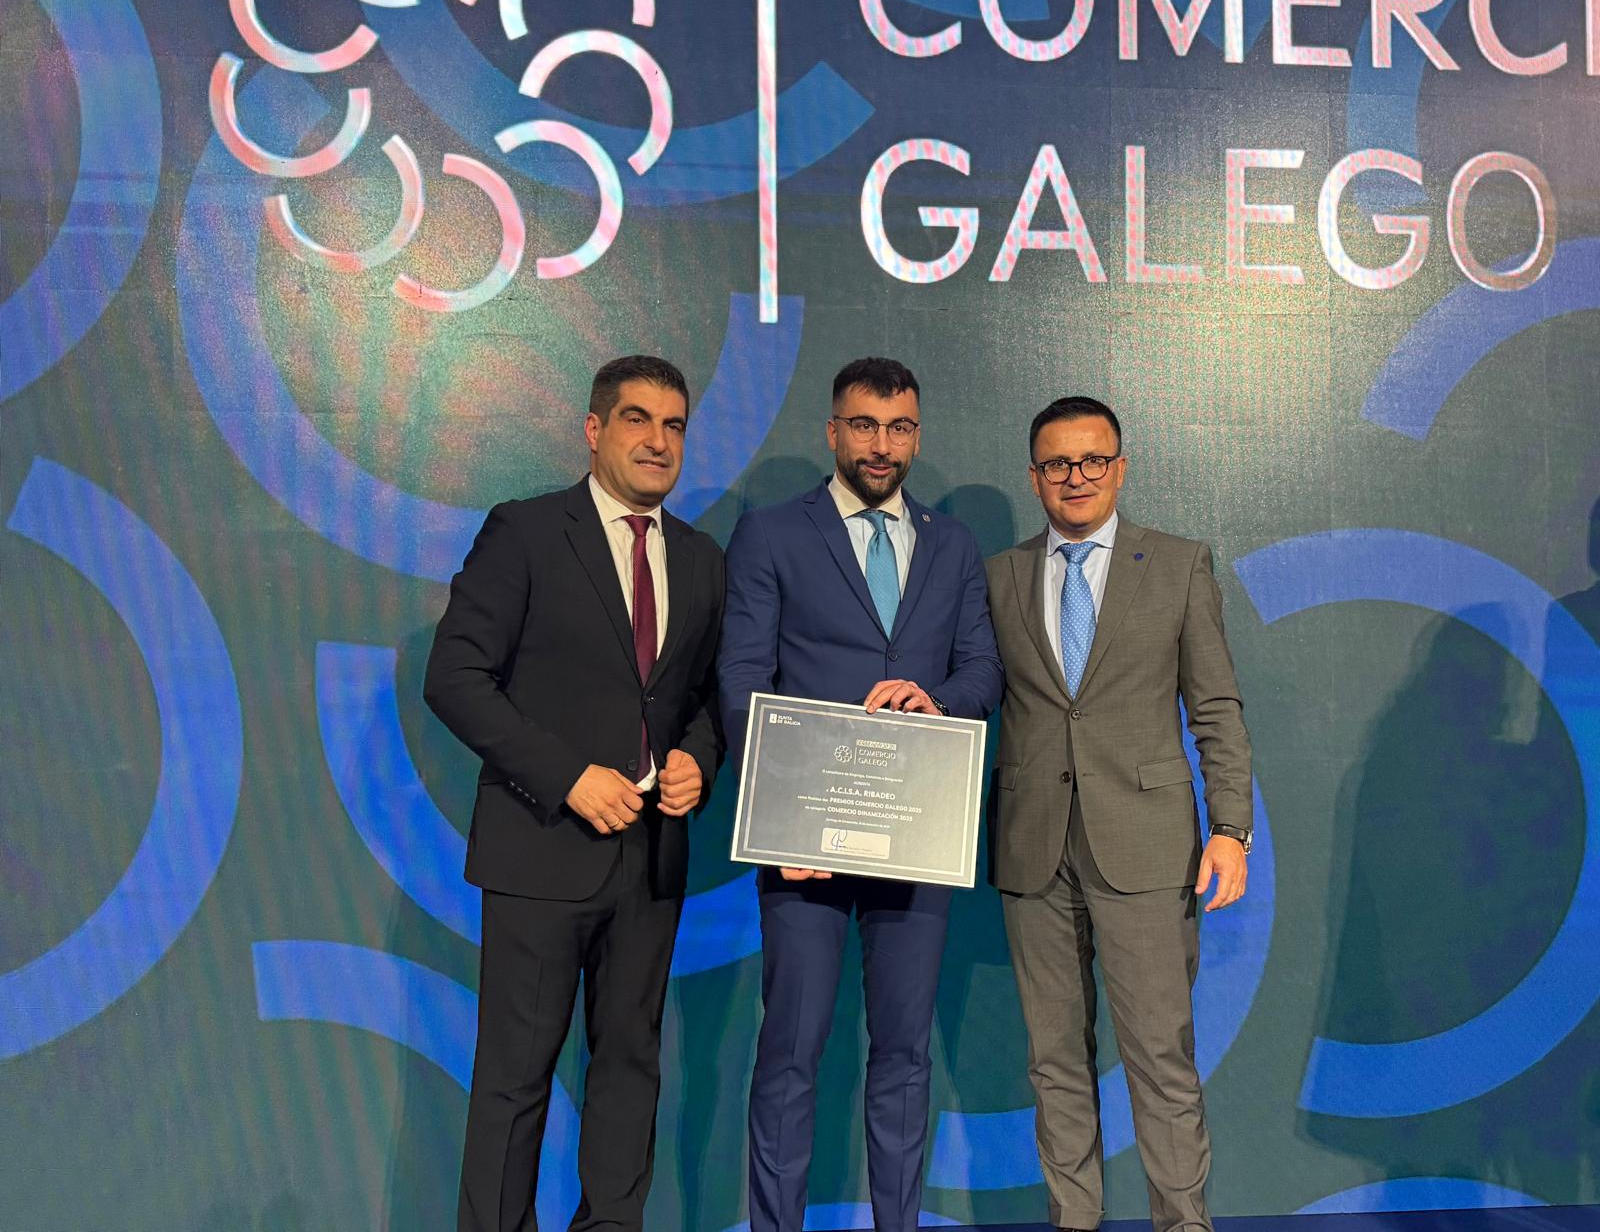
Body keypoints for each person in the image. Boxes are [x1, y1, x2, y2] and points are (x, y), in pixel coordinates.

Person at [424, 355, 725, 1232]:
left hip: (651, 862)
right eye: (638, 419)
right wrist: (567, 778)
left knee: (630, 1069)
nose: (658, 440)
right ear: (594, 430)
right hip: (540, 850)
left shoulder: (702, 559)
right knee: (514, 1079)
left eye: (674, 425)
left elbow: (709, 697)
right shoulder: (524, 532)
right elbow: (455, 677)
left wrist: (697, 759)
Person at [719, 357, 1004, 1232]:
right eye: (865, 425)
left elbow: (982, 669)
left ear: (916, 435)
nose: (883, 444)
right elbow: (741, 679)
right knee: (790, 1052)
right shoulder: (771, 533)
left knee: (906, 1055)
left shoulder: (953, 545)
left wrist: (936, 702)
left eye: (900, 427)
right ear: (833, 431)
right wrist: (778, 823)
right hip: (804, 844)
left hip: (914, 833)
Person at [985, 395, 1253, 1232]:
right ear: (1035, 477)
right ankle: (1075, 1218)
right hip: (1032, 849)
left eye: (1092, 460)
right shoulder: (998, 575)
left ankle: (1183, 1223)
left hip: (1148, 846)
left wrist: (1231, 829)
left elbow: (1216, 706)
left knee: (1160, 1057)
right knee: (1053, 1059)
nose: (1076, 476)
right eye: (1057, 463)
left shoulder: (1177, 564)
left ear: (1120, 468)